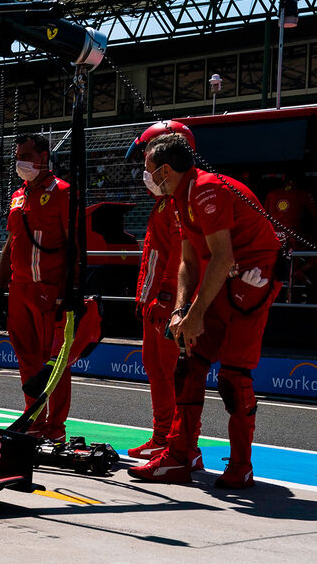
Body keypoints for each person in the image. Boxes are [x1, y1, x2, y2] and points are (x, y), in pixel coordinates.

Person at [128, 133, 281, 489]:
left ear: (165, 170)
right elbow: (188, 261)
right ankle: (180, 456)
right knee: (189, 363)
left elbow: (223, 256)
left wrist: (195, 313)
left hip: (251, 281)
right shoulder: (180, 196)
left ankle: (241, 464)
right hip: (222, 279)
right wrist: (183, 310)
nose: (146, 175)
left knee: (234, 376)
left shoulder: (207, 190)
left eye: (149, 168)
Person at [125, 121, 201, 470]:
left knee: (174, 373)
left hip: (170, 306)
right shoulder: (163, 204)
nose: (145, 169)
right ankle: (161, 437)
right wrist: (145, 298)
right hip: (154, 305)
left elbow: (182, 260)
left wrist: (169, 299)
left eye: (148, 161)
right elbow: (153, 258)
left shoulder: (182, 203)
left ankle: (183, 445)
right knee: (156, 370)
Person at [0, 133, 72, 442]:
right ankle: (34, 418)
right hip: (19, 290)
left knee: (53, 361)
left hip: (49, 291)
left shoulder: (62, 193)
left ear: (43, 156)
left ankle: (56, 427)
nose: (19, 161)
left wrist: (68, 292)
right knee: (26, 359)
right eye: (17, 156)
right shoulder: (18, 195)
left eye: (25, 155)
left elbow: (75, 246)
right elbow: (10, 242)